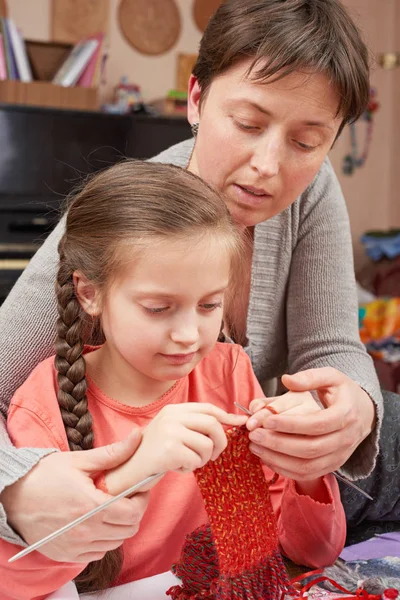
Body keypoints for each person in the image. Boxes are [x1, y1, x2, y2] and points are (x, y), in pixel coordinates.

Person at [0, 0, 398, 567]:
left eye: (307, 143)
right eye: (248, 124)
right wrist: (15, 487)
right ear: (196, 99)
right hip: (164, 497)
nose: (268, 164)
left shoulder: (312, 191)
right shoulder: (124, 223)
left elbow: (332, 346)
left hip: (259, 480)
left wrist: (355, 409)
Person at [0, 161, 346, 600]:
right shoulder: (44, 403)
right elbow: (16, 580)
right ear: (89, 293)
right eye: (158, 308)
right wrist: (138, 469)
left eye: (209, 305)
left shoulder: (228, 371)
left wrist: (307, 470)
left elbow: (310, 552)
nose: (188, 336)